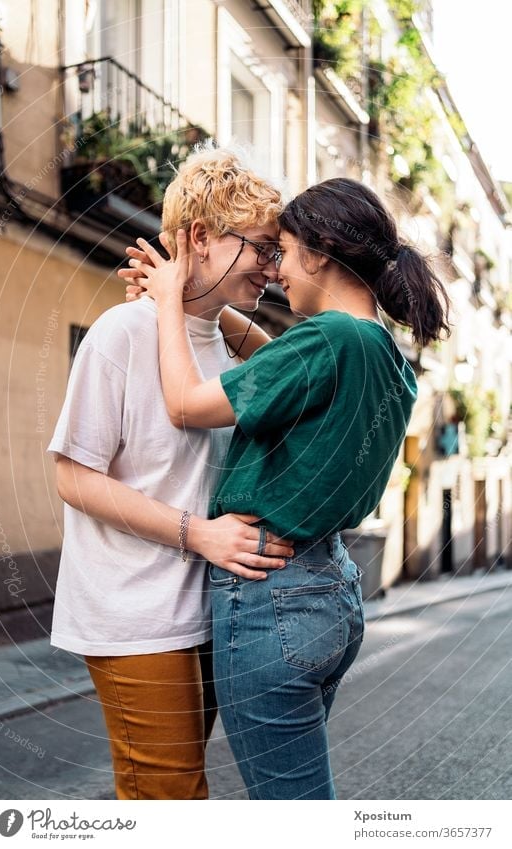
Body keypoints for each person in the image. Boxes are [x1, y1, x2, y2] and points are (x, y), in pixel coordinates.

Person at [126, 176, 451, 799]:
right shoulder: (377, 347)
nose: (276, 273)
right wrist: (208, 308)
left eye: (285, 251)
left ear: (322, 254)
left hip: (271, 597)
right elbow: (283, 369)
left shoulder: (325, 340)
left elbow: (186, 404)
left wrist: (169, 302)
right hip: (328, 589)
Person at [47, 145, 295, 800]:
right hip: (134, 611)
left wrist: (185, 301)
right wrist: (199, 533)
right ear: (200, 238)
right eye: (262, 247)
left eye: (278, 251)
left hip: (207, 611)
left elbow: (288, 373)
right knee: (172, 798)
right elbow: (74, 477)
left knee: (171, 796)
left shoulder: (222, 339)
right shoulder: (120, 333)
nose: (275, 266)